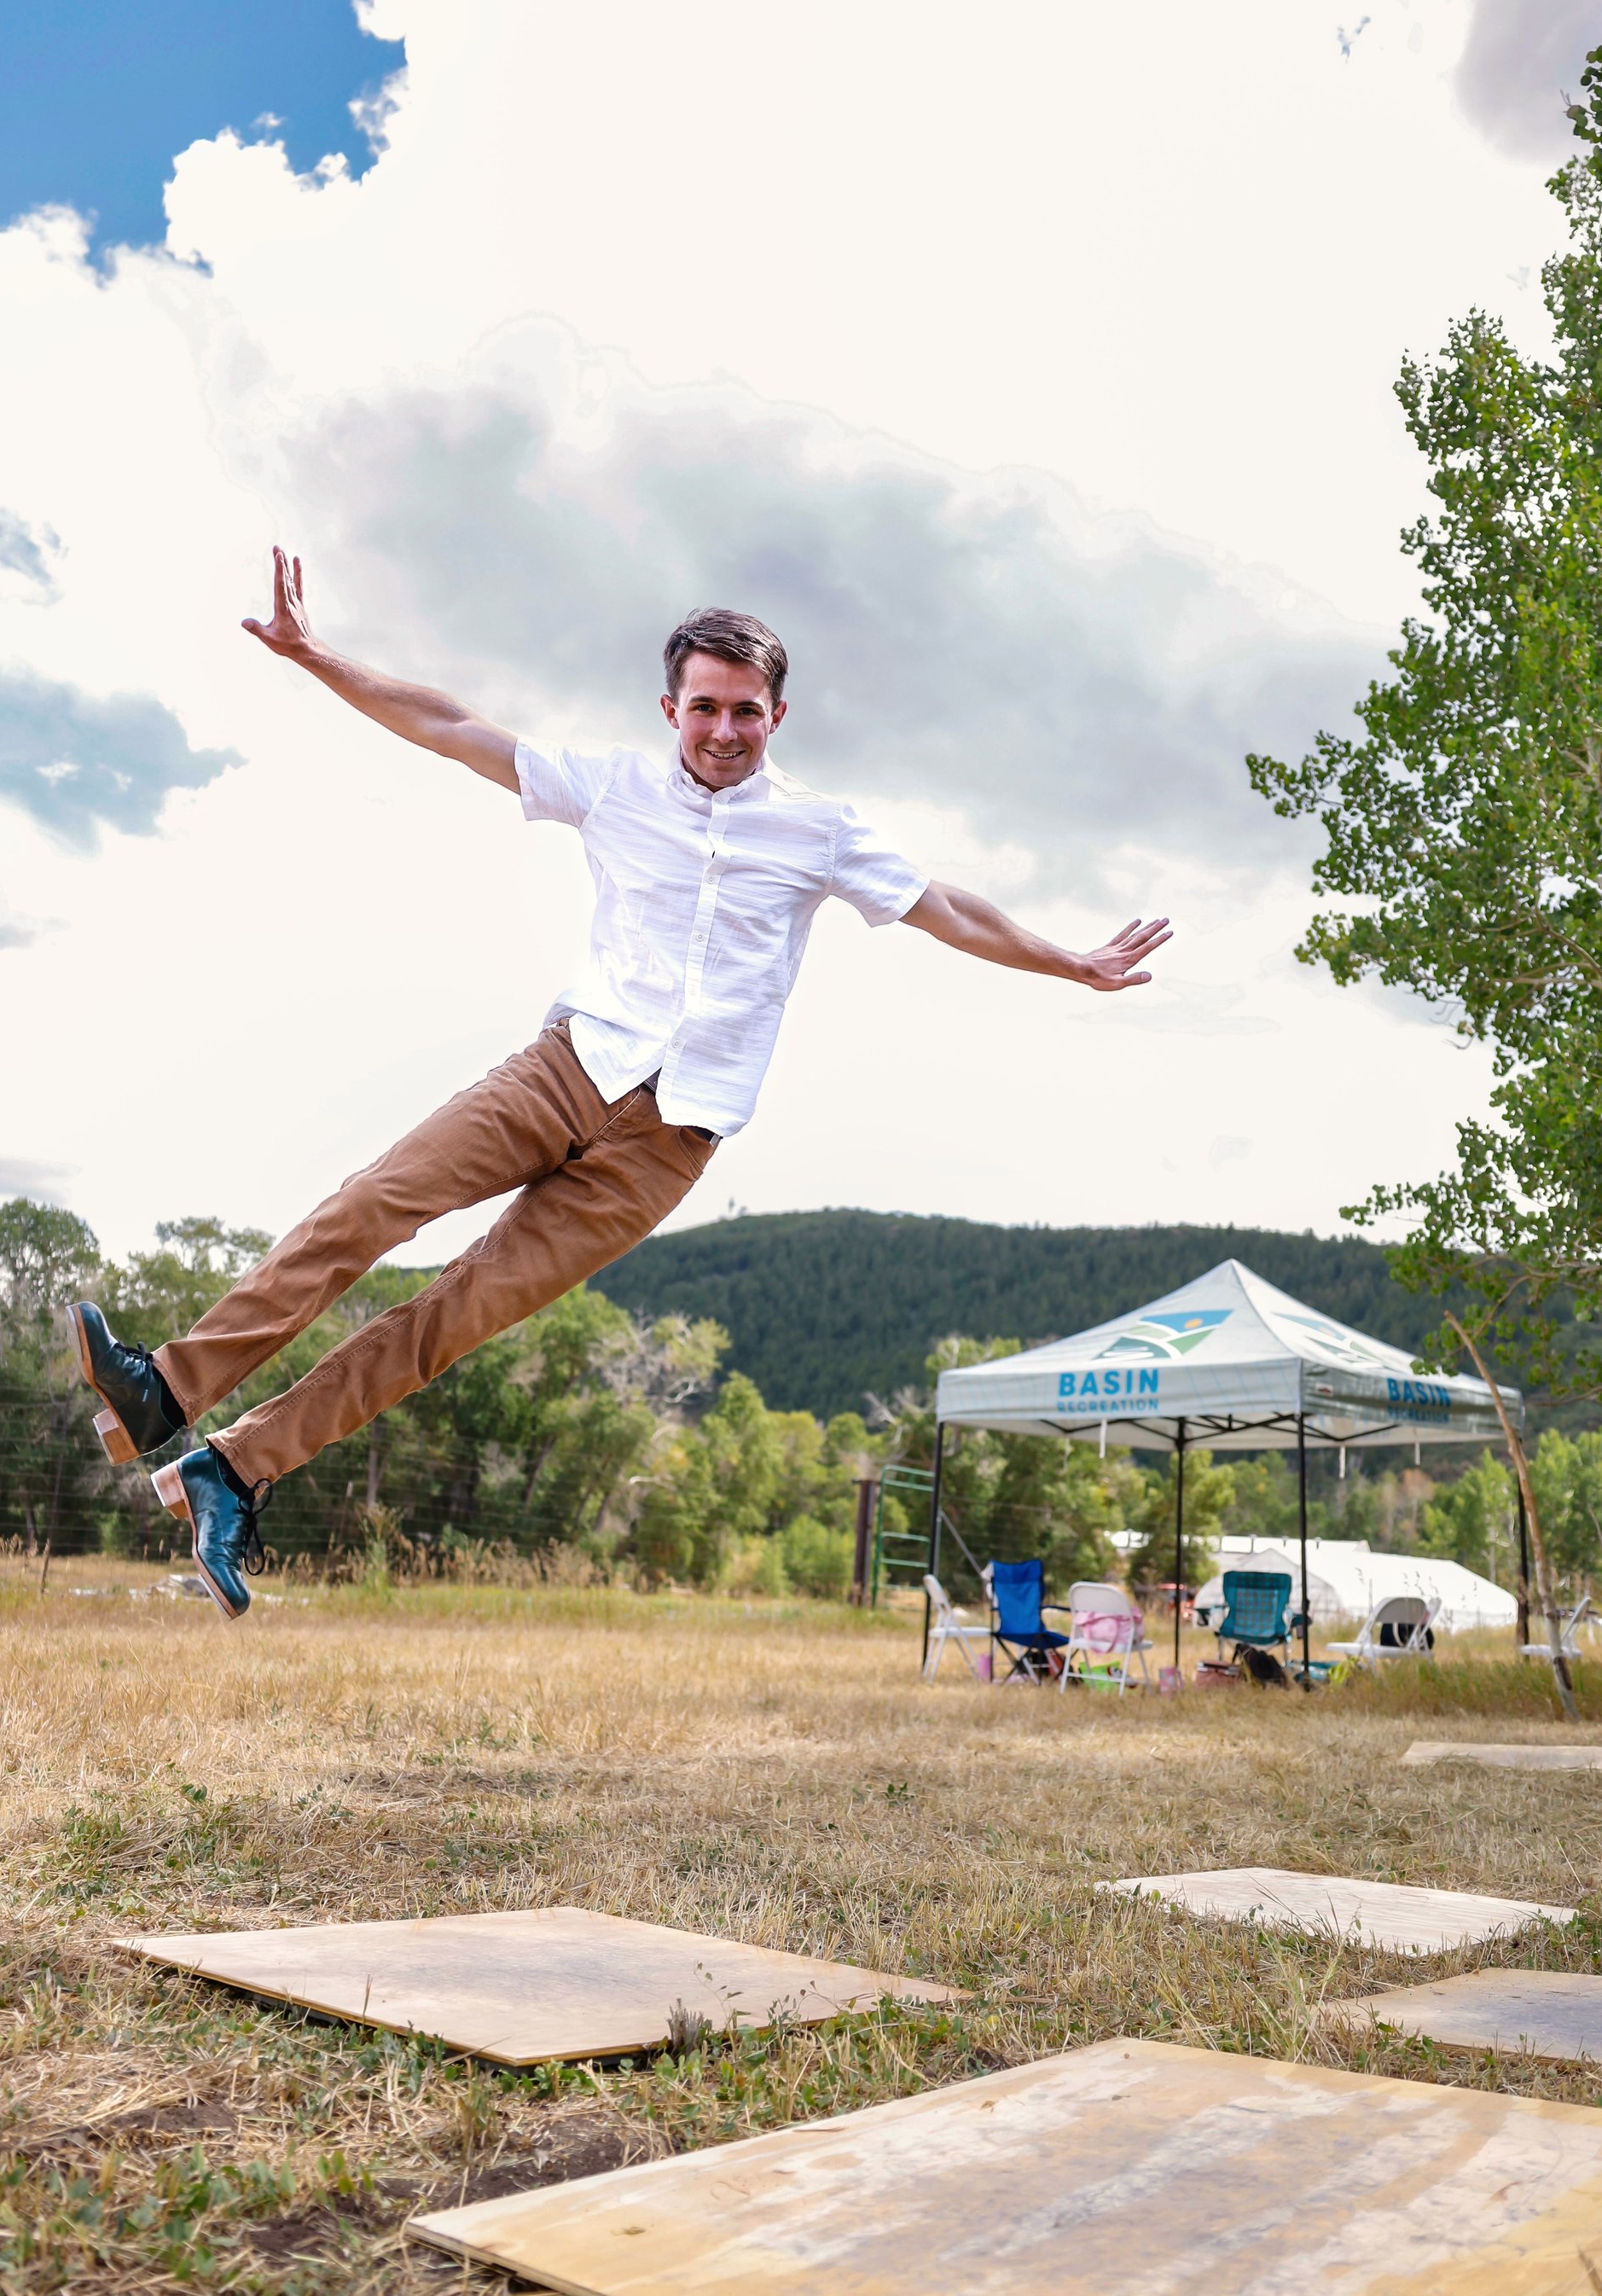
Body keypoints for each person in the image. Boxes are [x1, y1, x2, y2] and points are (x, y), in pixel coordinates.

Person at [66, 550, 1172, 1616]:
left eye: (747, 711)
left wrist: (1070, 962)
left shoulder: (822, 831)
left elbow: (948, 908)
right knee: (373, 1204)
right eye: (705, 707)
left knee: (451, 1319)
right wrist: (316, 656)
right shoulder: (614, 786)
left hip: (667, 1145)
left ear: (777, 717)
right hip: (566, 1069)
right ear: (670, 707)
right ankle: (161, 1387)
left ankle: (234, 1473)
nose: (725, 730)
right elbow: (451, 729)